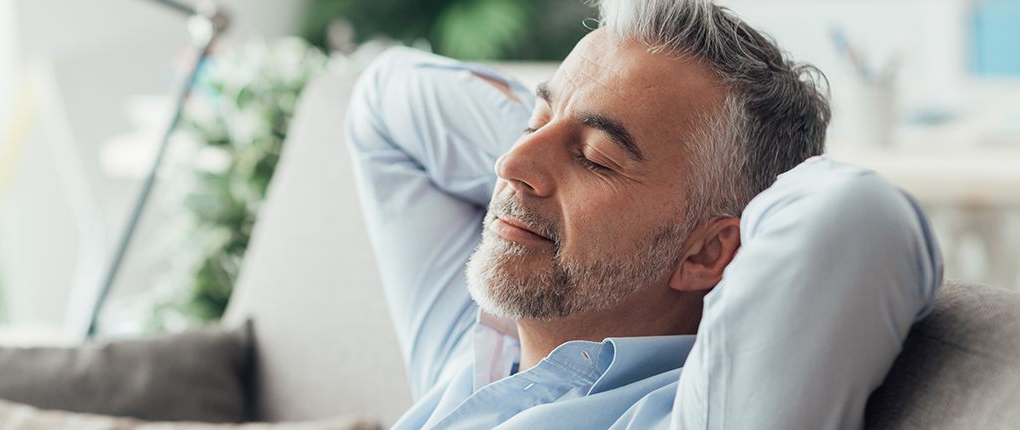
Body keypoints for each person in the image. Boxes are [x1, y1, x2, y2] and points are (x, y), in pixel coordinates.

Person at [343, 0, 943, 428]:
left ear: (708, 252)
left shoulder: (686, 414)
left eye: (598, 159)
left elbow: (851, 216)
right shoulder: (477, 349)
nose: (507, 164)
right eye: (533, 119)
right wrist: (562, 143)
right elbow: (386, 99)